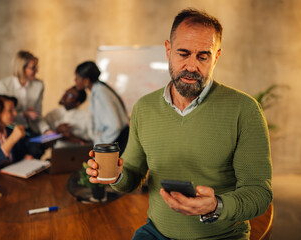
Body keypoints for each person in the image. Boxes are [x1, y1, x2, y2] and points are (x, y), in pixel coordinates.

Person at [86, 8, 273, 240]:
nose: (192, 66)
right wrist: (116, 176)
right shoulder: (144, 108)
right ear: (168, 50)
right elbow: (132, 174)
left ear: (216, 57)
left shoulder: (245, 110)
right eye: (183, 54)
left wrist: (216, 205)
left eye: (203, 56)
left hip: (220, 236)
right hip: (156, 233)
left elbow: (259, 193)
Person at [74, 61, 129, 156]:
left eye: (77, 78)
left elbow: (115, 126)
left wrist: (99, 144)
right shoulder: (98, 89)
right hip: (117, 138)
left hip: (119, 140)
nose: (75, 80)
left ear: (86, 80)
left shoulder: (101, 93)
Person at [0, 50, 44, 134]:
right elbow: (2, 115)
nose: (37, 71)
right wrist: (24, 114)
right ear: (22, 69)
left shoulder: (39, 85)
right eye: (33, 68)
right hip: (10, 129)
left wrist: (46, 130)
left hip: (31, 129)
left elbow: (38, 115)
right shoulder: (3, 85)